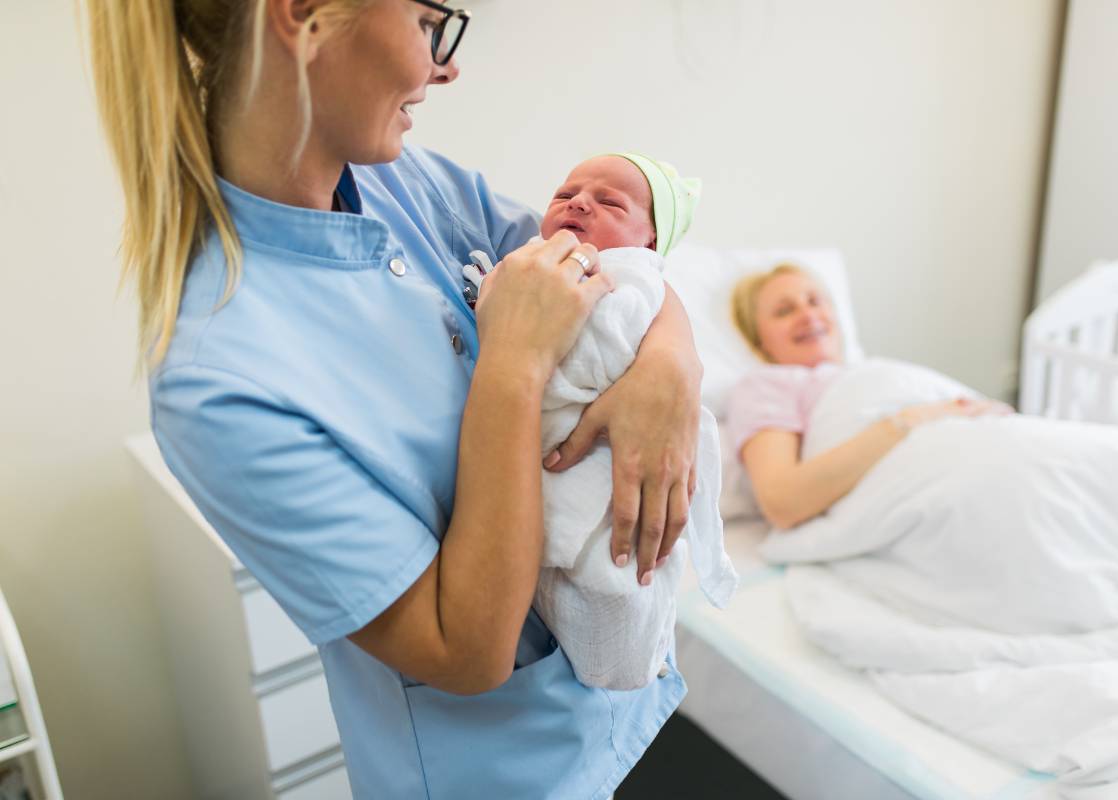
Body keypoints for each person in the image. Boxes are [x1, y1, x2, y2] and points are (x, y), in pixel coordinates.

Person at [84, 0, 704, 796]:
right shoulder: (217, 384)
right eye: (426, 22)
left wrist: (671, 365)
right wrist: (512, 367)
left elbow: (619, 270)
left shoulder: (405, 180)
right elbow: (465, 649)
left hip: (623, 708)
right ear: (302, 15)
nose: (445, 66)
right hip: (508, 772)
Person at [520, 153, 735, 690]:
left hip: (605, 460)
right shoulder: (528, 255)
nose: (578, 201)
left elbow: (603, 345)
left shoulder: (631, 277)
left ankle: (627, 666)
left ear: (649, 243)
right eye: (565, 192)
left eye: (610, 201)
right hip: (538, 470)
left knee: (617, 574)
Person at [727, 264, 1010, 529]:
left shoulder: (874, 371)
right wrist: (907, 421)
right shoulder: (766, 384)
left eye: (815, 301)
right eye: (785, 310)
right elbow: (782, 502)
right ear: (758, 338)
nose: (808, 314)